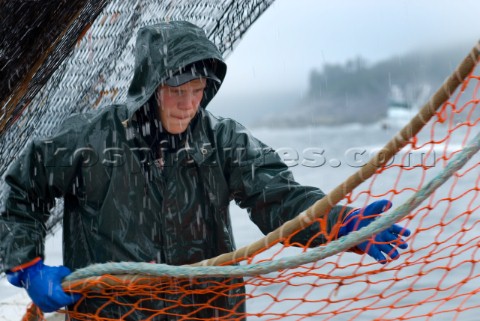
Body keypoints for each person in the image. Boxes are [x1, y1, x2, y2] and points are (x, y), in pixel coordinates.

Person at [0, 21, 410, 320]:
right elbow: (21, 189)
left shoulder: (224, 140)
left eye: (198, 92)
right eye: (177, 92)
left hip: (210, 313)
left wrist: (341, 224)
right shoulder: (90, 138)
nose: (188, 104)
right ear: (150, 88)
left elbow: (280, 198)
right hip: (113, 313)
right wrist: (28, 267)